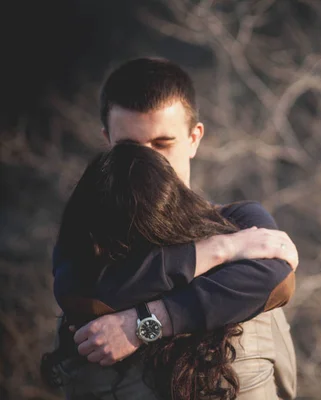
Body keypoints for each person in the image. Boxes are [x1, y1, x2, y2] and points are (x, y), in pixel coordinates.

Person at [47, 57, 298, 399]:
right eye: (131, 148)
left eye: (162, 144)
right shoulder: (91, 243)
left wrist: (144, 324)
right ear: (107, 143)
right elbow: (81, 291)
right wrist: (218, 251)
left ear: (194, 139)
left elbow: (277, 279)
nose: (150, 163)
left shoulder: (240, 221)